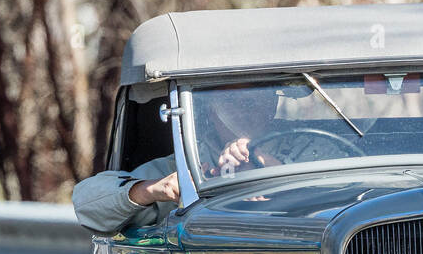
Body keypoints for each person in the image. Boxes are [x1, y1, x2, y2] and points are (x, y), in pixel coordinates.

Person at [71, 85, 280, 235]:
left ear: (272, 105)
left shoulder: (307, 144)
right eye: (230, 102)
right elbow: (86, 204)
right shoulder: (190, 161)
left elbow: (312, 195)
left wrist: (261, 160)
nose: (245, 111)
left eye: (256, 100)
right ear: (210, 110)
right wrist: (152, 190)